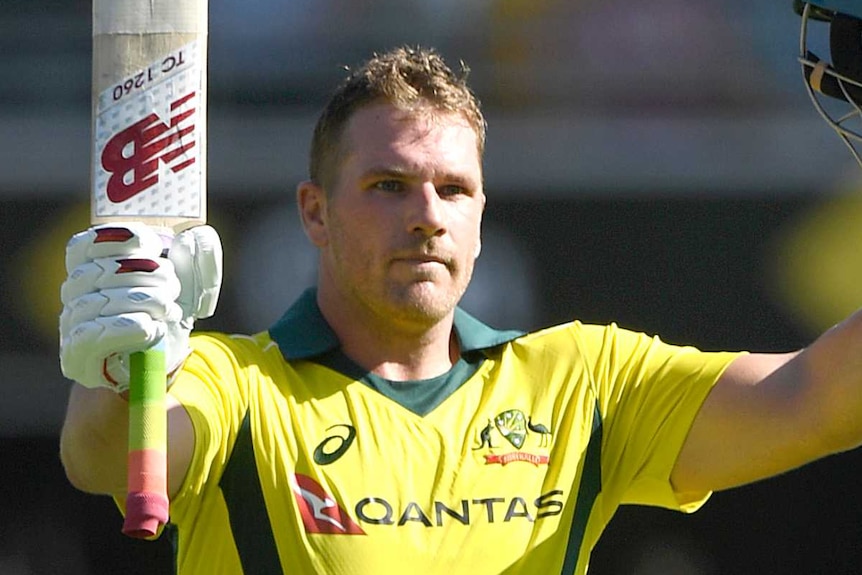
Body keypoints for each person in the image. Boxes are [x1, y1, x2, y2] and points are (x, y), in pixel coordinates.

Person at [59, 43, 862, 575]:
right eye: (388, 186)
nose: (427, 214)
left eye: (454, 189)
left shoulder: (583, 379)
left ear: (481, 212)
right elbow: (110, 462)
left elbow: (819, 400)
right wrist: (116, 363)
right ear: (315, 213)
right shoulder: (234, 382)